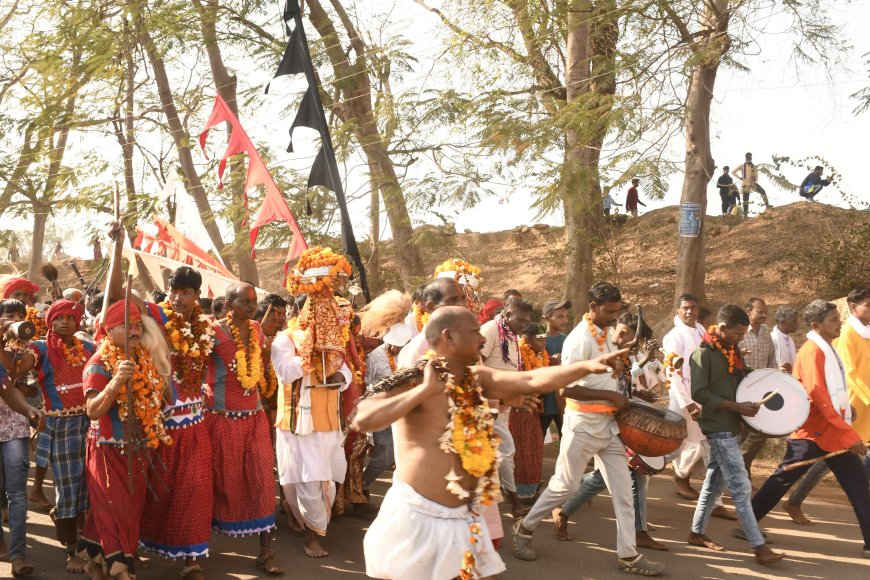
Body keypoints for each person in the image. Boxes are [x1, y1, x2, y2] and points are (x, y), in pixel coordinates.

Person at [356, 306, 629, 580]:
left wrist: (589, 366)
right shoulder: (413, 379)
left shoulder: (476, 379)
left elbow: (532, 378)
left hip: (465, 518)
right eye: (475, 332)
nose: (483, 338)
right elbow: (363, 419)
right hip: (419, 518)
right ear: (448, 337)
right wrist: (425, 391)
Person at [513, 282, 665, 576]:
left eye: (616, 312)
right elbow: (566, 390)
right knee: (564, 486)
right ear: (592, 308)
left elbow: (603, 374)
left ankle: (629, 556)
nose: (613, 317)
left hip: (608, 427)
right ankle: (525, 527)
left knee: (624, 491)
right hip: (581, 425)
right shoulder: (578, 340)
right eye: (608, 312)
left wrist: (620, 367)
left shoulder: (606, 333)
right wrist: (611, 396)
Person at [749, 300, 870, 559]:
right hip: (813, 432)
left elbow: (831, 392)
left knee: (858, 485)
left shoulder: (825, 347)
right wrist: (850, 434)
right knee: (782, 480)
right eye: (833, 320)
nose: (839, 323)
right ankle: (748, 523)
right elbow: (819, 397)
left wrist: (847, 410)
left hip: (831, 432)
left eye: (838, 319)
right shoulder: (813, 352)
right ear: (816, 325)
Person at [552, 312, 668, 552]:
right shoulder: (599, 346)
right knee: (626, 477)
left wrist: (638, 394)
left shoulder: (622, 351)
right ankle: (637, 532)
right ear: (625, 333)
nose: (637, 348)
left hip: (619, 423)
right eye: (636, 344)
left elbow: (623, 384)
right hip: (597, 422)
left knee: (610, 479)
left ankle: (565, 510)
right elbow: (578, 389)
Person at [77, 299, 173, 580]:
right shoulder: (97, 363)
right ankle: (121, 569)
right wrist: (116, 381)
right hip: (107, 450)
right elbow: (93, 410)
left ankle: (95, 562)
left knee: (127, 510)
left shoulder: (143, 357)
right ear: (109, 331)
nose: (134, 331)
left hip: (138, 448)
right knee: (115, 510)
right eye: (126, 327)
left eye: (137, 326)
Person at [0, 299, 94, 573]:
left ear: (78, 322)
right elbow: (12, 371)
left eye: (70, 317)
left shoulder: (88, 347)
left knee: (88, 488)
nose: (64, 322)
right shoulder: (39, 348)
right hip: (60, 427)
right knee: (67, 490)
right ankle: (71, 551)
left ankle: (91, 543)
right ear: (49, 320)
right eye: (58, 317)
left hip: (89, 424)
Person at [134, 267, 215, 580]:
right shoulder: (157, 318)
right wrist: (118, 247)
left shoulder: (204, 328)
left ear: (197, 296)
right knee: (152, 489)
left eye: (185, 293)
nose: (178, 298)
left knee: (193, 491)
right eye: (174, 291)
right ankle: (136, 545)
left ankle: (191, 560)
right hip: (157, 421)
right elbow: (124, 300)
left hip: (194, 423)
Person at [686, 305, 783, 564]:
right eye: (738, 335)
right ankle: (759, 546)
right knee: (740, 486)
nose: (741, 339)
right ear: (722, 328)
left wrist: (774, 376)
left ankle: (696, 533)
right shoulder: (702, 354)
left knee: (713, 483)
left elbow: (742, 375)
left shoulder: (731, 349)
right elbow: (699, 393)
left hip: (732, 424)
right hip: (717, 425)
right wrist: (736, 406)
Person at [272, 250, 352, 559]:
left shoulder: (335, 341)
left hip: (327, 419)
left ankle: (312, 524)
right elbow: (285, 371)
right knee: (302, 478)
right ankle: (312, 535)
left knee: (326, 477)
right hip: (297, 422)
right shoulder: (286, 338)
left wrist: (333, 369)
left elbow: (345, 373)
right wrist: (309, 353)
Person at [204, 284, 281, 575]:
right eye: (244, 301)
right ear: (228, 302)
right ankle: (196, 552)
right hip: (221, 420)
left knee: (262, 482)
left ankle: (266, 552)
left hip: (254, 418)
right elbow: (192, 368)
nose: (251, 306)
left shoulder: (258, 331)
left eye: (253, 301)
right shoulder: (212, 332)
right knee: (215, 483)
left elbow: (260, 368)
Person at [781, 288, 870, 527]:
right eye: (868, 305)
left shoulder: (866, 332)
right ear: (854, 308)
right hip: (850, 405)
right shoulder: (847, 333)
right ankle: (791, 502)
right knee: (827, 458)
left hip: (858, 407)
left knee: (849, 463)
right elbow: (849, 373)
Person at [0, 299, 46, 577]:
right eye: (8, 317)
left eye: (19, 317)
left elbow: (10, 378)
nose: (15, 321)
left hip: (15, 426)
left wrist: (29, 410)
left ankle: (18, 555)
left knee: (16, 492)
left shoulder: (27, 350)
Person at [479, 296, 534, 517]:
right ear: (508, 314)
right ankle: (515, 503)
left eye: (527, 320)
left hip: (504, 405)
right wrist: (492, 400)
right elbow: (477, 366)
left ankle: (495, 501)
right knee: (506, 451)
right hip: (490, 406)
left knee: (495, 454)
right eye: (521, 320)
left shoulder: (511, 335)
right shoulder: (490, 330)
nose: (524, 325)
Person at [361, 321, 413, 495]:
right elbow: (366, 385)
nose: (396, 349)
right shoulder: (375, 357)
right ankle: (361, 485)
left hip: (405, 410)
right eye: (394, 345)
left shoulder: (410, 354)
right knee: (385, 454)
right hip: (382, 410)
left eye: (400, 346)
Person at [738, 298, 781, 478]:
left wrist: (774, 376)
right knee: (741, 432)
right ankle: (737, 473)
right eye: (760, 312)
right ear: (748, 311)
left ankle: (743, 467)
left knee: (759, 431)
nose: (764, 315)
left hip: (761, 389)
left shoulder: (765, 332)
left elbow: (771, 358)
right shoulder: (739, 331)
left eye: (765, 312)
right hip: (741, 388)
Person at [511, 323, 548, 500]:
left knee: (534, 448)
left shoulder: (539, 355)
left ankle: (530, 491)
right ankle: (519, 493)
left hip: (531, 410)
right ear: (526, 339)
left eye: (544, 338)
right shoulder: (518, 354)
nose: (544, 342)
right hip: (517, 410)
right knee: (521, 451)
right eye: (539, 339)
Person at [397, 278, 464, 367]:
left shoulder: (467, 337)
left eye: (463, 298)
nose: (462, 305)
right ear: (431, 307)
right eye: (453, 300)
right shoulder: (417, 349)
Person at [540, 299, 571, 438]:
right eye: (560, 316)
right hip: (543, 402)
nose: (564, 320)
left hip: (564, 402)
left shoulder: (569, 340)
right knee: (537, 440)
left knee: (568, 440)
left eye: (566, 316)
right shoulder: (537, 340)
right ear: (546, 318)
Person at [770, 306, 799, 373]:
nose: (797, 323)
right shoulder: (772, 339)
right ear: (783, 323)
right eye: (794, 321)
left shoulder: (789, 339)